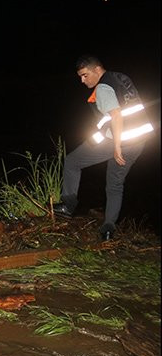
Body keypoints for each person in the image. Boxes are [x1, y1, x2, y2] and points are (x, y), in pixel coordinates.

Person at [52, 55, 154, 240]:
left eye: (84, 75)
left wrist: (116, 146)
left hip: (119, 140)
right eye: (80, 77)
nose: (82, 80)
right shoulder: (120, 78)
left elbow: (116, 115)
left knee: (72, 162)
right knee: (115, 185)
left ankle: (67, 206)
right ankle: (108, 229)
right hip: (138, 140)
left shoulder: (103, 87)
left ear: (97, 70)